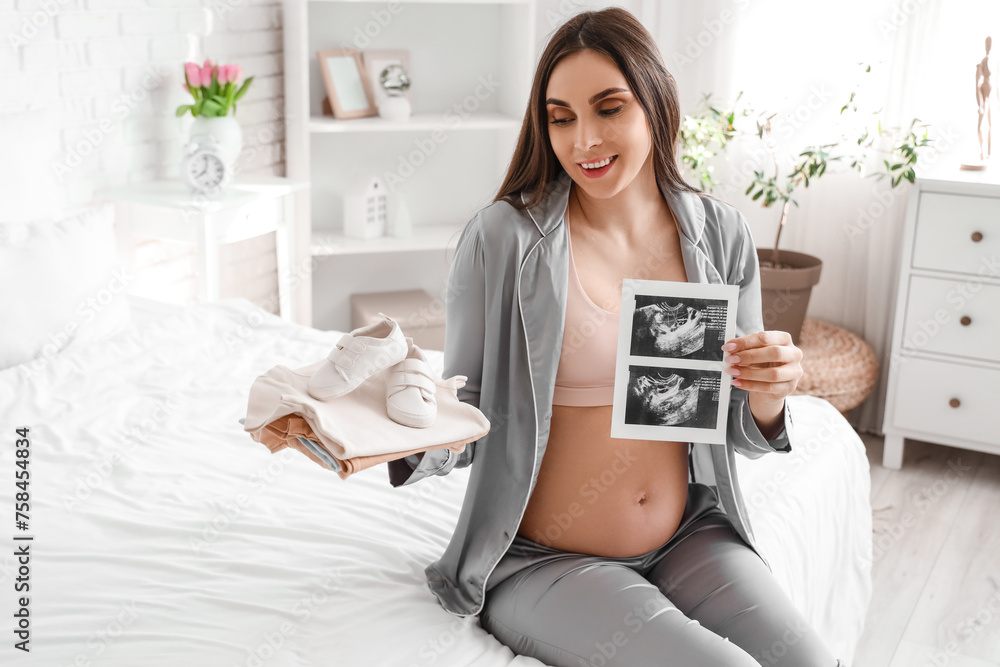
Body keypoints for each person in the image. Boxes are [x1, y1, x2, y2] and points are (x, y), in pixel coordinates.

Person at [387, 7, 846, 666]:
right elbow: (468, 403)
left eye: (609, 109)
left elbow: (737, 427)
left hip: (688, 534)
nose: (584, 141)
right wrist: (397, 435)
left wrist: (769, 394)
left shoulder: (718, 235)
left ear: (655, 104)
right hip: (544, 562)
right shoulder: (503, 239)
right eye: (561, 116)